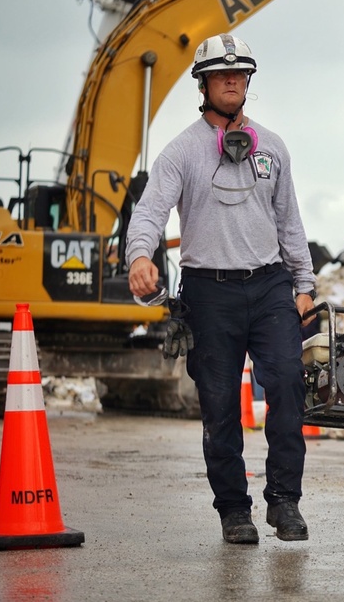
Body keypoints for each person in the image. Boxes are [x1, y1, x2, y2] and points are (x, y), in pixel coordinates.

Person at [126, 33, 317, 545]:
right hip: (209, 293)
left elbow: (289, 220)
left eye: (239, 73)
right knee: (219, 404)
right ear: (204, 82)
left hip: (271, 285)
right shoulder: (182, 151)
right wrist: (140, 254)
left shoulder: (272, 147)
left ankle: (284, 502)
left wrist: (304, 282)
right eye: (221, 73)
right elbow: (149, 211)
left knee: (286, 386)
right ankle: (234, 510)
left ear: (248, 81)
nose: (231, 79)